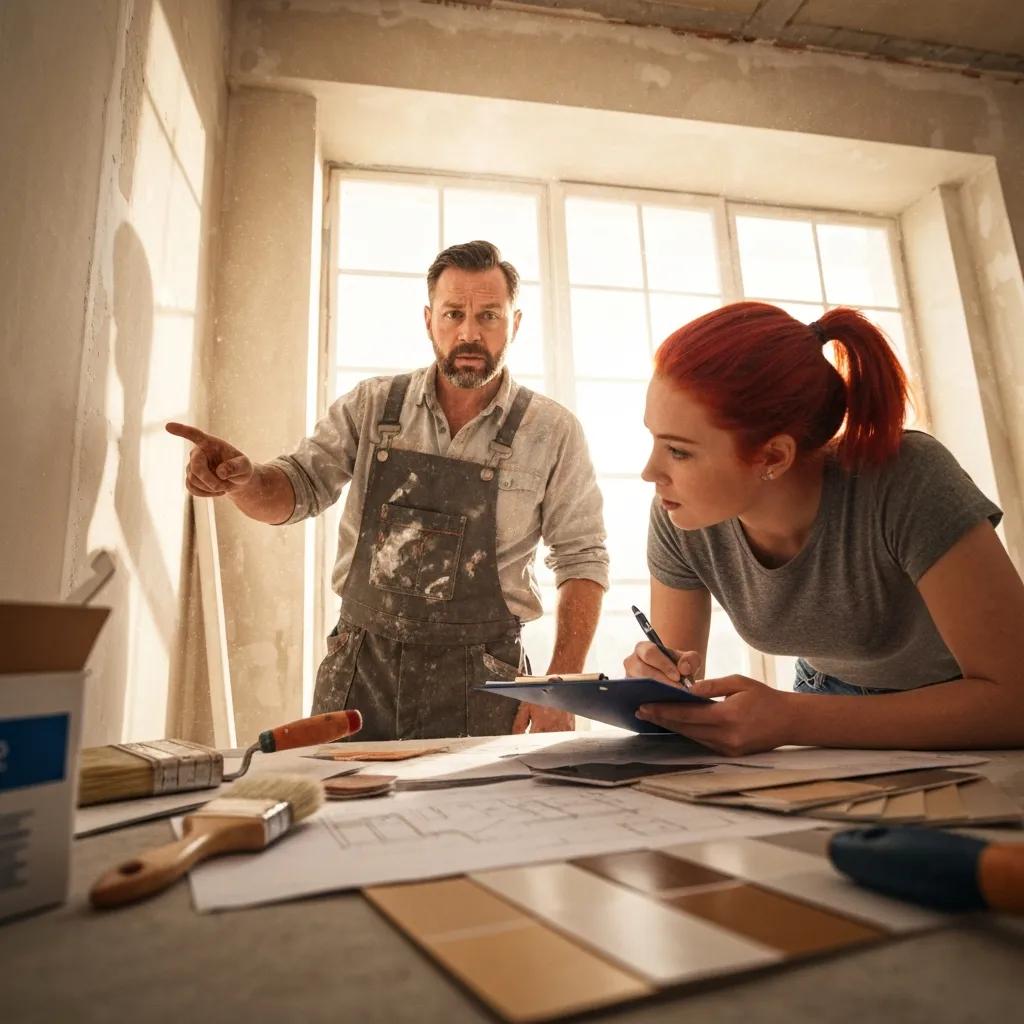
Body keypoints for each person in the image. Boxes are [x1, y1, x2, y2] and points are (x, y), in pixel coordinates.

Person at [168, 240, 608, 740]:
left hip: (484, 680)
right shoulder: (373, 406)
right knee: (343, 811)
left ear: (516, 322)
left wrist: (561, 683)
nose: (469, 332)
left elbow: (582, 557)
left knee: (474, 817)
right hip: (361, 670)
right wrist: (243, 481)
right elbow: (296, 490)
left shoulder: (552, 431)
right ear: (428, 320)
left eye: (489, 315)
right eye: (453, 314)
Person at [625, 301, 1024, 754]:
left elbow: (1014, 700)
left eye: (679, 451)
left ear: (773, 456)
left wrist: (792, 718)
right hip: (821, 702)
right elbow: (676, 680)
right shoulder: (681, 513)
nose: (649, 471)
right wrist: (653, 682)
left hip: (958, 712)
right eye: (654, 440)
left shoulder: (908, 479)